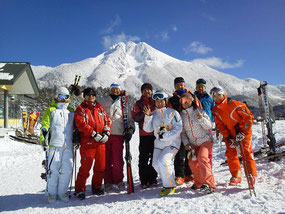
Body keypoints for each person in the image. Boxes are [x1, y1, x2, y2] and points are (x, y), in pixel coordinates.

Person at [210, 87, 257, 188]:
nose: (217, 98)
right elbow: (220, 125)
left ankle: (251, 175)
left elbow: (249, 117)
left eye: (219, 95)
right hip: (231, 133)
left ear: (223, 94)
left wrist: (243, 132)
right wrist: (228, 138)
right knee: (231, 154)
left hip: (243, 130)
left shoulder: (235, 104)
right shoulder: (215, 110)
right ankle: (237, 175)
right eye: (214, 96)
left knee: (246, 151)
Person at [74, 87, 111, 200]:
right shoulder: (81, 109)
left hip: (100, 143)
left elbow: (107, 121)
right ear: (84, 96)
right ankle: (80, 190)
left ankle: (97, 186)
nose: (91, 97)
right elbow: (81, 124)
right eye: (88, 95)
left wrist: (106, 133)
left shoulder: (100, 109)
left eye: (93, 95)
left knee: (100, 167)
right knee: (86, 167)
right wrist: (93, 134)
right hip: (88, 142)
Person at [143, 90, 183, 197]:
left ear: (165, 101)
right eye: (157, 102)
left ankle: (169, 186)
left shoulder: (173, 113)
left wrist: (165, 136)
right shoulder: (154, 114)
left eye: (161, 101)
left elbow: (178, 128)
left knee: (164, 161)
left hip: (172, 143)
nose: (159, 103)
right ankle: (169, 178)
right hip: (159, 144)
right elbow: (147, 129)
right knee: (155, 164)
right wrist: (147, 117)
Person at [40, 86, 75, 203]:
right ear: (57, 97)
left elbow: (76, 127)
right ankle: (52, 194)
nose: (63, 99)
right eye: (61, 96)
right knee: (53, 170)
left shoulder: (71, 111)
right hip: (54, 145)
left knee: (67, 169)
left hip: (68, 145)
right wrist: (43, 139)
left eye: (66, 97)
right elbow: (44, 126)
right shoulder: (51, 110)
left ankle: (62, 193)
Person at [98, 83, 135, 192]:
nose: (115, 91)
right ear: (110, 90)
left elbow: (130, 120)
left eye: (117, 89)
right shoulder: (103, 101)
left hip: (118, 134)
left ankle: (119, 180)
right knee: (106, 160)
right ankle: (108, 181)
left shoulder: (125, 104)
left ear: (120, 90)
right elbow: (91, 101)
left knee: (117, 160)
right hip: (105, 134)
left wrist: (130, 129)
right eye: (113, 89)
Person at [180, 93, 216, 194]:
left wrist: (201, 118)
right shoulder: (182, 116)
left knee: (202, 158)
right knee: (192, 162)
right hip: (193, 144)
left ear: (192, 100)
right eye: (183, 100)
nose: (186, 102)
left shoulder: (199, 111)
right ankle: (199, 182)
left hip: (205, 140)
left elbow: (209, 126)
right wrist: (186, 143)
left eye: (188, 99)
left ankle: (209, 184)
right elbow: (183, 133)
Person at [168, 77, 201, 185]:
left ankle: (189, 173)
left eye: (181, 85)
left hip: (190, 128)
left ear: (184, 85)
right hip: (178, 129)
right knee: (179, 154)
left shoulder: (191, 96)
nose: (179, 87)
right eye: (177, 85)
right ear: (175, 87)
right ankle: (179, 175)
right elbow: (169, 114)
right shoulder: (172, 100)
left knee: (190, 152)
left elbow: (198, 108)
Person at [131, 83, 157, 188]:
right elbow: (135, 117)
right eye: (145, 90)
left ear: (151, 91)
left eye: (149, 90)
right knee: (144, 157)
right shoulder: (138, 103)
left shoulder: (156, 102)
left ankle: (153, 178)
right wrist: (145, 114)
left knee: (154, 157)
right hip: (144, 134)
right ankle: (143, 179)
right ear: (142, 92)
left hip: (155, 134)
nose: (147, 92)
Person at [194, 78, 215, 168]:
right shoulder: (193, 98)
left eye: (202, 87)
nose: (200, 89)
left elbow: (213, 110)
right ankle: (199, 170)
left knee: (208, 149)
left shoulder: (209, 98)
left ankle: (209, 167)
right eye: (198, 87)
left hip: (207, 125)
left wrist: (213, 121)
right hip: (196, 126)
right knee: (197, 149)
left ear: (205, 88)